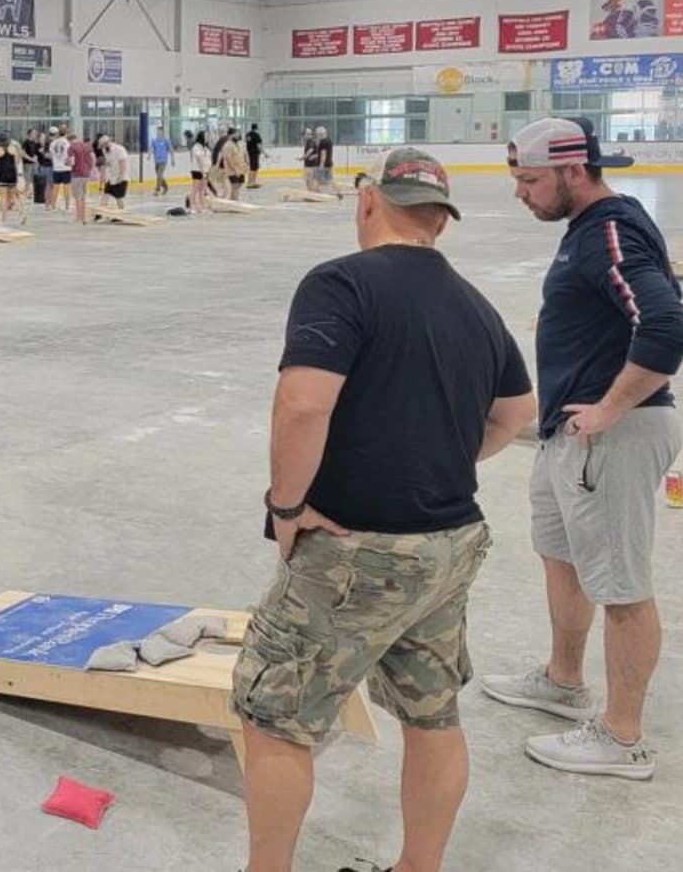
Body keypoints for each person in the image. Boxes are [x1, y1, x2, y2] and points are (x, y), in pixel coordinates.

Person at [231, 147, 536, 872]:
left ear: (368, 202)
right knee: (433, 711)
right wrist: (443, 459)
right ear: (442, 222)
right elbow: (518, 413)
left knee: (275, 715)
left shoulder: (341, 282)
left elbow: (303, 405)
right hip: (450, 544)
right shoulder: (474, 304)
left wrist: (287, 506)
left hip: (357, 552)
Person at [483, 117, 683, 780]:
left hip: (614, 440)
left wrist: (611, 407)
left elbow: (666, 324)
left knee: (621, 586)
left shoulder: (607, 231)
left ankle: (623, 738)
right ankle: (564, 682)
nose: (520, 193)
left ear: (574, 172)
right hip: (572, 439)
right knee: (561, 555)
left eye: (529, 179)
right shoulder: (590, 231)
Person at [0, 133, 26, 226]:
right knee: (15, 196)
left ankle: (4, 219)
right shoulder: (13, 149)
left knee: (3, 197)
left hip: (3, 175)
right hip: (12, 175)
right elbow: (16, 163)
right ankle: (22, 213)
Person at [67, 130, 94, 225]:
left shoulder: (71, 148)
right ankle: (84, 216)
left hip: (76, 174)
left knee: (77, 196)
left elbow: (72, 162)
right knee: (83, 196)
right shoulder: (86, 146)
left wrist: (67, 163)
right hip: (86, 174)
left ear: (69, 140)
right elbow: (92, 158)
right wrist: (90, 168)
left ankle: (78, 217)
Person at [101, 135, 130, 210]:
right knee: (106, 193)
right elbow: (108, 162)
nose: (103, 148)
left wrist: (121, 176)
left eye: (103, 145)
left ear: (107, 143)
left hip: (121, 177)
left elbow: (123, 163)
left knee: (118, 197)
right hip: (112, 177)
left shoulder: (119, 149)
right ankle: (100, 213)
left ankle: (120, 214)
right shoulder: (105, 150)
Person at [49, 126, 72, 212]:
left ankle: (53, 205)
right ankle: (67, 206)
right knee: (67, 188)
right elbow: (69, 156)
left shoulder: (53, 143)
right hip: (65, 168)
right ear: (66, 133)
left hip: (56, 167)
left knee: (55, 187)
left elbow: (51, 156)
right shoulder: (67, 143)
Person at [316, 124, 342, 198]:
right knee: (330, 180)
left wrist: (321, 165)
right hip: (329, 163)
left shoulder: (322, 142)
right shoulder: (329, 140)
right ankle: (338, 192)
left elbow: (323, 154)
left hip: (324, 165)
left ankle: (316, 194)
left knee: (316, 179)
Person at [189, 130, 211, 214]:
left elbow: (207, 159)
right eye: (206, 136)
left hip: (206, 170)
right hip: (198, 170)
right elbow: (199, 159)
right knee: (195, 189)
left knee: (202, 190)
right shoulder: (196, 147)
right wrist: (203, 171)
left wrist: (207, 170)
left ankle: (202, 207)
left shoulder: (205, 148)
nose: (208, 138)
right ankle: (192, 207)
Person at [224, 128, 249, 200]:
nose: (238, 135)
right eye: (236, 134)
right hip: (232, 170)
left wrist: (246, 165)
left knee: (239, 185)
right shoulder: (228, 145)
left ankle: (233, 200)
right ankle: (235, 201)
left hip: (240, 168)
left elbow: (242, 155)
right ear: (231, 135)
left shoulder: (239, 144)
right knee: (235, 185)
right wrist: (235, 169)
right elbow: (228, 159)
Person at [151, 124, 174, 196]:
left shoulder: (166, 141)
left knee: (159, 175)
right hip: (156, 161)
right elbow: (151, 148)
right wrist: (149, 155)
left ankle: (157, 190)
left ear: (162, 132)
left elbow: (171, 150)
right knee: (159, 176)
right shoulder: (154, 141)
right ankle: (166, 187)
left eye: (160, 132)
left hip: (163, 161)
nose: (159, 133)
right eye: (158, 131)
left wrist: (172, 159)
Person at [36, 130, 55, 211]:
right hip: (49, 166)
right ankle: (48, 204)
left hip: (46, 166)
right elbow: (48, 155)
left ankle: (49, 203)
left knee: (50, 186)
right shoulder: (50, 143)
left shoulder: (46, 144)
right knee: (49, 186)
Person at [21, 128, 39, 200]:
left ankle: (32, 193)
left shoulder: (34, 142)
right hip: (27, 164)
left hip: (34, 163)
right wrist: (31, 159)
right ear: (30, 133)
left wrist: (35, 158)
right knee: (27, 180)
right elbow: (23, 153)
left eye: (35, 133)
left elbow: (34, 153)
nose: (35, 134)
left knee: (34, 179)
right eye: (34, 133)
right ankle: (26, 194)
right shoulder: (25, 142)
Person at [301, 126, 321, 191]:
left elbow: (310, 150)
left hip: (311, 165)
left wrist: (303, 157)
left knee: (310, 180)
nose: (303, 136)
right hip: (310, 165)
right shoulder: (310, 141)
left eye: (304, 134)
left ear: (307, 134)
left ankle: (313, 192)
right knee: (308, 180)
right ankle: (312, 192)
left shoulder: (310, 141)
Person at [245, 123, 264, 189]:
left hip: (249, 152)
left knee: (251, 167)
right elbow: (258, 145)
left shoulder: (247, 134)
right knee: (254, 168)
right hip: (255, 153)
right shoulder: (256, 135)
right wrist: (264, 153)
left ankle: (249, 182)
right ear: (257, 128)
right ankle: (253, 182)